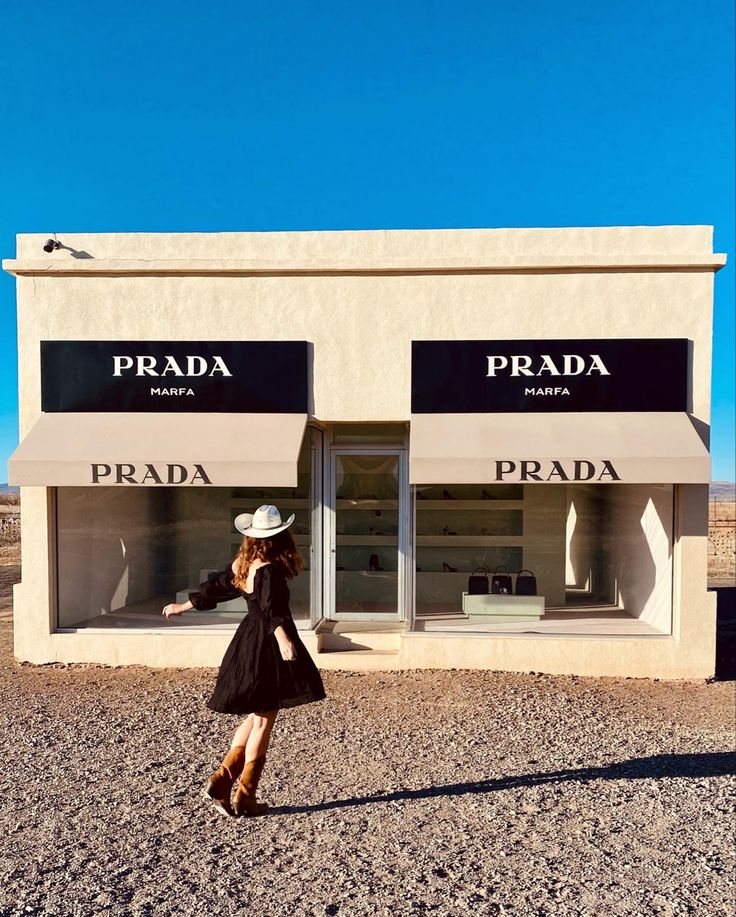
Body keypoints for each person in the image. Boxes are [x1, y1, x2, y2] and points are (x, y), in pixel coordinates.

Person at [161, 504, 326, 817]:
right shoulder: (268, 569)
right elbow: (270, 608)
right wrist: (285, 641)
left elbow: (216, 588)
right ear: (280, 536)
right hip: (266, 642)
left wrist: (182, 606)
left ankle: (222, 781)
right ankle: (245, 797)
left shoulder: (244, 563)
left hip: (248, 639)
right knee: (265, 718)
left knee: (256, 713)